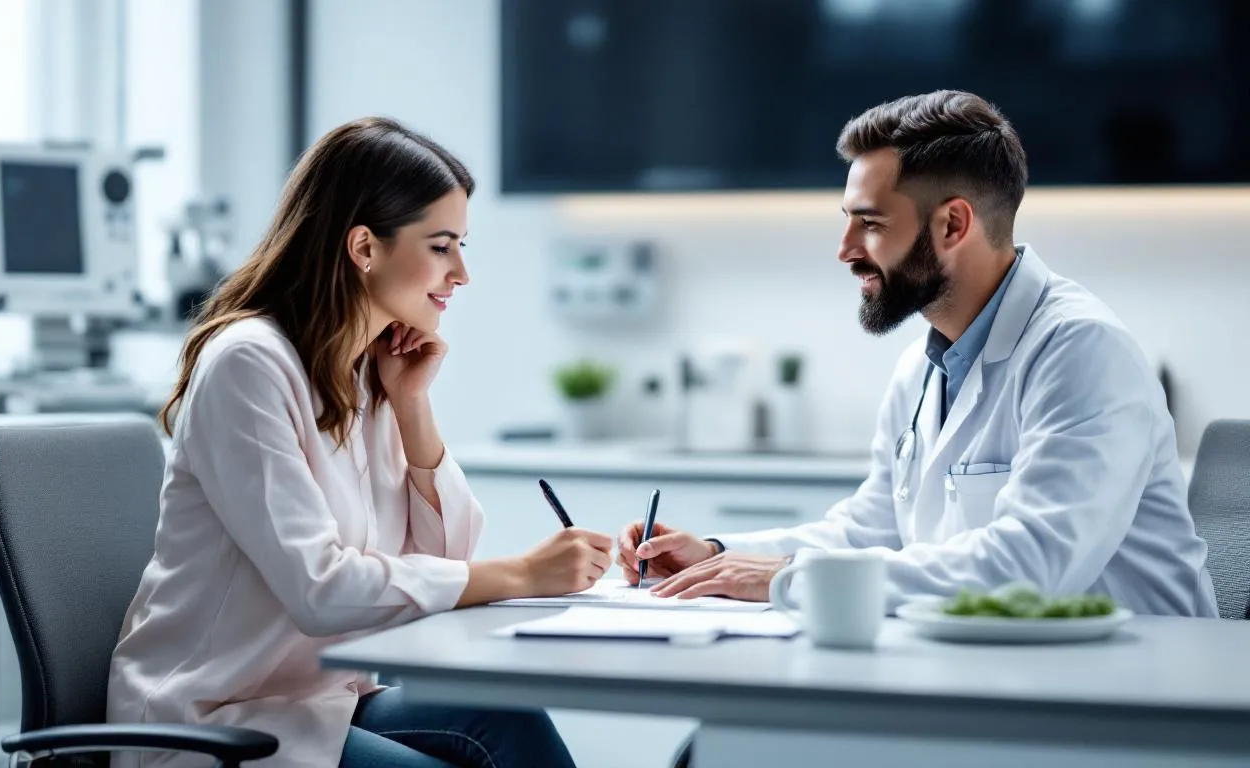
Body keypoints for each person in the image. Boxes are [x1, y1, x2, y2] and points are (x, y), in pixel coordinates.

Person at [107, 118, 609, 768]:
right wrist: (520, 574)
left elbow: (446, 555)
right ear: (365, 247)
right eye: (442, 246)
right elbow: (321, 590)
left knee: (507, 718)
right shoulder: (249, 365)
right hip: (209, 719)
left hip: (317, 701)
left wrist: (412, 405)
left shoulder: (364, 369)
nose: (462, 273)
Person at [617, 90, 1216, 618]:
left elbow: (1032, 566)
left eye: (870, 224)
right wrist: (721, 555)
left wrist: (789, 580)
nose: (845, 250)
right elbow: (872, 529)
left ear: (954, 225)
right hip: (992, 673)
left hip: (1132, 704)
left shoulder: (1083, 351)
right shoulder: (924, 364)